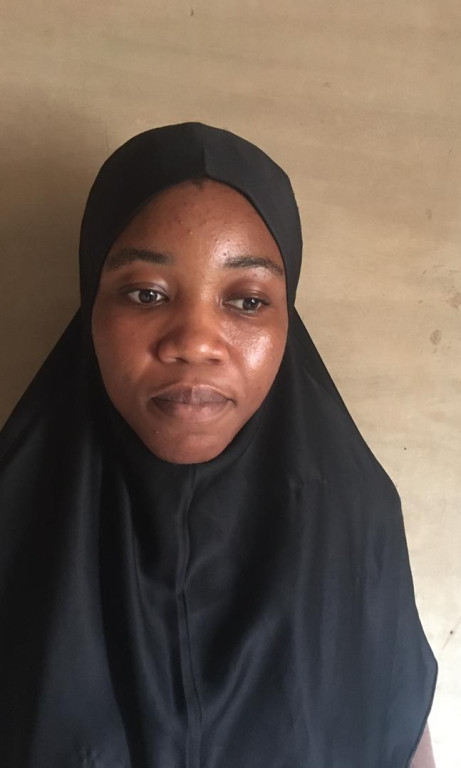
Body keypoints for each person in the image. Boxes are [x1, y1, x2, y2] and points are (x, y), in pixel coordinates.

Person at [0, 123, 437, 767]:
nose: (195, 341)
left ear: (288, 319)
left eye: (247, 301)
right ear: (92, 302)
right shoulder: (13, 519)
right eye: (146, 293)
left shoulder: (357, 524)